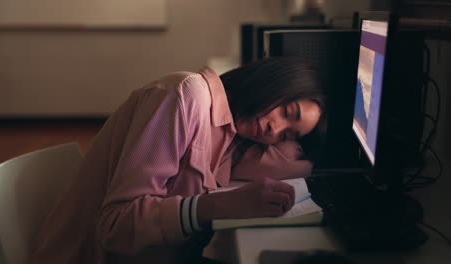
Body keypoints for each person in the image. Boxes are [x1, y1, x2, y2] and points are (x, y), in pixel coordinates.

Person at [28, 57, 327, 264]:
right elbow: (114, 228)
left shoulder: (231, 137)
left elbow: (291, 162)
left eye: (288, 135)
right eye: (287, 113)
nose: (276, 130)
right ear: (272, 81)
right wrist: (217, 205)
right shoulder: (186, 96)